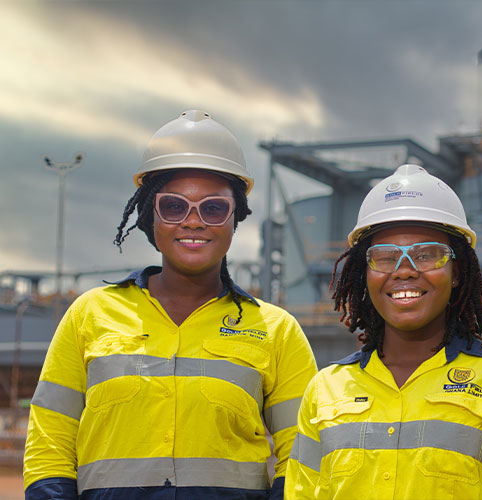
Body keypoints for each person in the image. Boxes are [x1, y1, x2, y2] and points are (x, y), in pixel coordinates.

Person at [24, 110, 318, 499]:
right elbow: (50, 445)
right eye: (174, 206)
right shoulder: (89, 315)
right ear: (150, 217)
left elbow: (303, 458)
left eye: (213, 208)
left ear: (236, 218)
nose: (193, 221)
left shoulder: (277, 330)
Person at [284, 164, 482, 499]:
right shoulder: (325, 390)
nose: (405, 271)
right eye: (385, 257)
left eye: (427, 255)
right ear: (364, 275)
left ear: (457, 272)